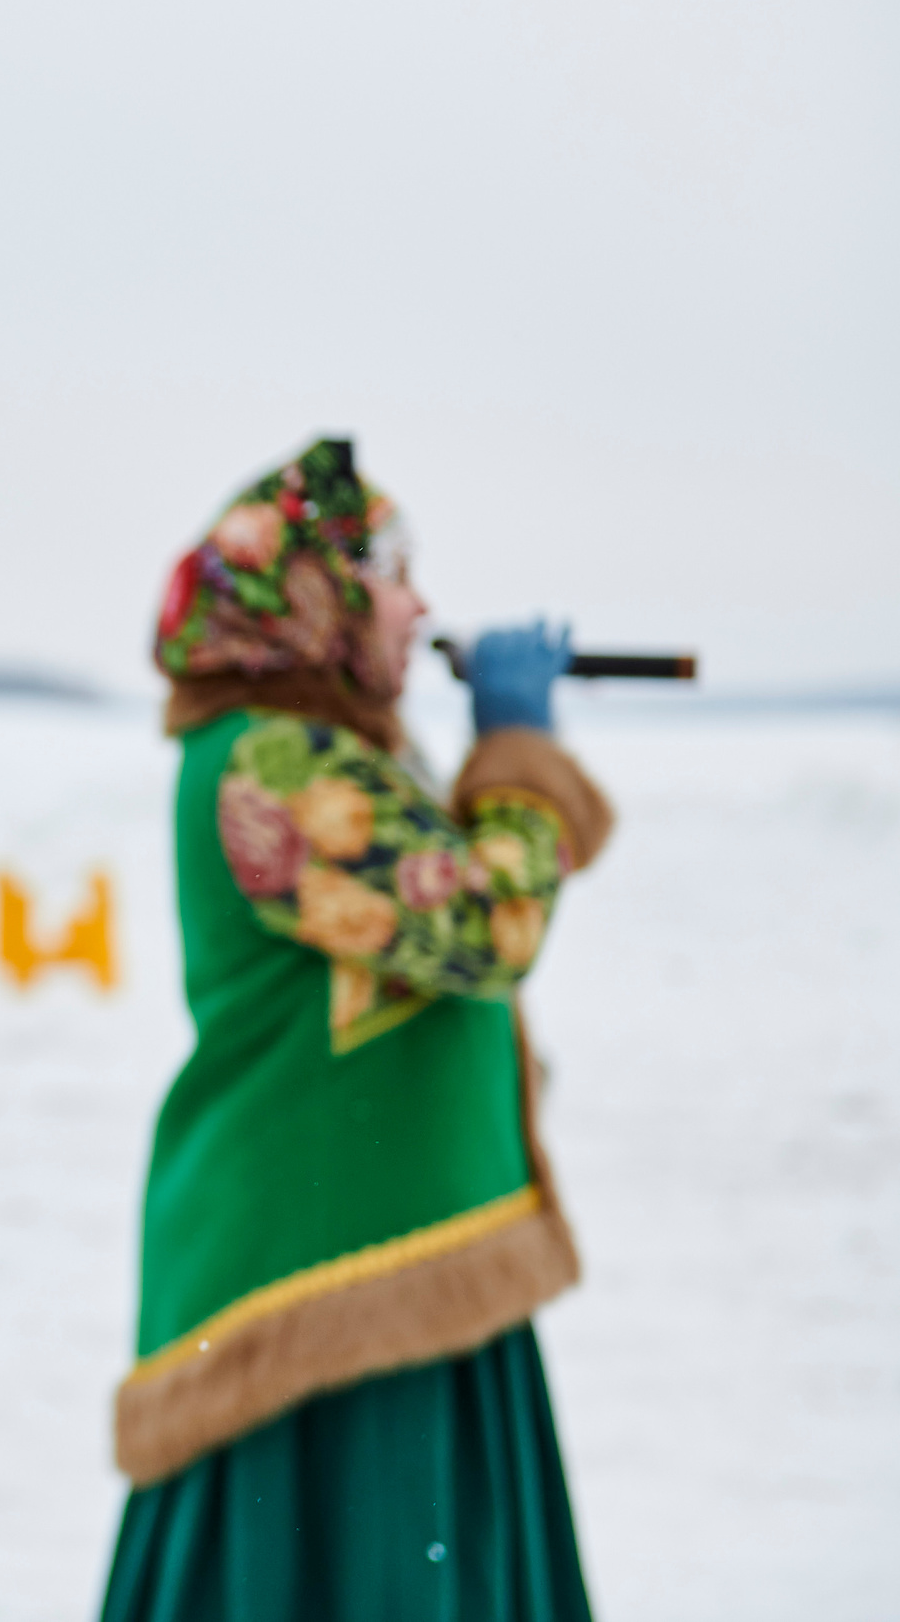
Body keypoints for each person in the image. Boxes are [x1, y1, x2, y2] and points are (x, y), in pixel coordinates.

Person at [100, 438, 614, 1622]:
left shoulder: (321, 748)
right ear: (313, 594)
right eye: (392, 569)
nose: (422, 602)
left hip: (395, 1253)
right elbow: (483, 922)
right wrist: (522, 753)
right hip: (322, 1281)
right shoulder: (272, 763)